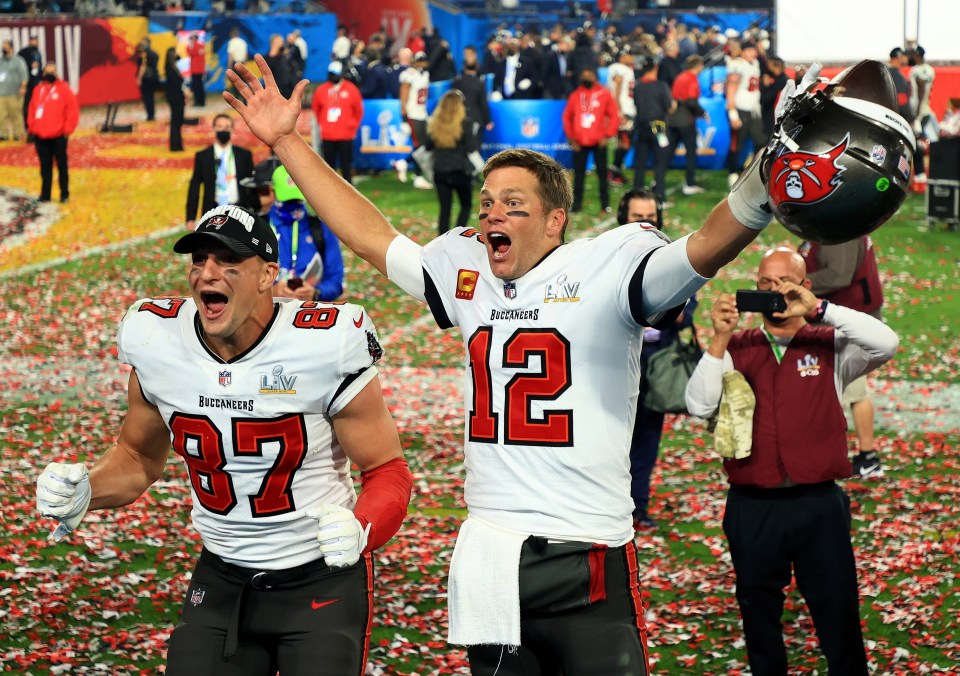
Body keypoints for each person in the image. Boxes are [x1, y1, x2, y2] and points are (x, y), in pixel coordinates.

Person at [224, 53, 798, 676]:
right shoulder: (469, 268)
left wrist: (766, 181)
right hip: (492, 550)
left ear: (555, 221)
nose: (492, 213)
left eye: (513, 204)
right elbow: (371, 236)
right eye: (488, 202)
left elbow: (706, 247)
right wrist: (287, 142)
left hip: (588, 544)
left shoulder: (609, 265)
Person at [35, 204, 413, 674]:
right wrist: (88, 489)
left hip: (320, 577)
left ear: (267, 275)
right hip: (220, 576)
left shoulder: (324, 344)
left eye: (229, 261)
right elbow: (137, 456)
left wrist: (362, 526)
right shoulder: (158, 340)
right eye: (199, 260)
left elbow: (386, 469)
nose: (207, 273)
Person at [685, 247, 898, 676]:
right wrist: (719, 338)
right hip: (752, 503)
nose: (774, 290)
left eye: (785, 282)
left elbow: (886, 343)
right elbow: (698, 406)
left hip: (817, 502)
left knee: (837, 606)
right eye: (765, 282)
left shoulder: (830, 343)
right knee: (758, 611)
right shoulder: (738, 346)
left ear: (805, 285)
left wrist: (820, 309)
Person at [618, 189, 697, 531]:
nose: (646, 224)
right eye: (638, 217)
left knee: (647, 439)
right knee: (613, 439)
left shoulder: (672, 257)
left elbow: (685, 313)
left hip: (657, 360)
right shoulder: (606, 257)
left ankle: (638, 507)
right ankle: (612, 505)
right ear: (623, 219)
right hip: (617, 361)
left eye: (651, 217)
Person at [799, 236, 885, 478]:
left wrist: (798, 285)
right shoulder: (836, 227)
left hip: (849, 322)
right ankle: (865, 456)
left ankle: (867, 457)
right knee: (846, 390)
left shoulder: (840, 234)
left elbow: (838, 275)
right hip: (847, 319)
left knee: (852, 391)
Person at [241, 159, 345, 301]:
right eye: (287, 201)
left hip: (308, 312)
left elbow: (335, 281)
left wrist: (316, 293)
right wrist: (271, 292)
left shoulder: (320, 229)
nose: (293, 206)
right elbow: (240, 281)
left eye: (297, 200)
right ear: (273, 192)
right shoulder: (255, 229)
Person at [563, 66, 619, 214]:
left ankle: (605, 204)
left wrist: (607, 135)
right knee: (579, 175)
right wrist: (571, 138)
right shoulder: (575, 95)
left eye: (589, 75)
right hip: (579, 142)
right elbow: (567, 117)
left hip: (599, 141)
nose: (587, 78)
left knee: (602, 174)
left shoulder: (604, 94)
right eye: (584, 75)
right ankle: (576, 205)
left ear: (595, 76)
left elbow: (614, 115)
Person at [185, 113, 255, 229]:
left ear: (232, 129)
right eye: (220, 127)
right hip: (212, 212)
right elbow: (195, 186)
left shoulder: (244, 155)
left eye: (227, 127)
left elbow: (251, 184)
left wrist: (256, 210)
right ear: (214, 128)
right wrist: (190, 217)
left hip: (239, 211)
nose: (223, 130)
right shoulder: (203, 156)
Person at [425, 90, 478, 234]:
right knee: (466, 206)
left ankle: (442, 239)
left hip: (440, 171)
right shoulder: (465, 123)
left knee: (445, 209)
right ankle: (458, 236)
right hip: (461, 171)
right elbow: (471, 148)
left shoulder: (434, 123)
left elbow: (428, 147)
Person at [27, 62, 78, 204]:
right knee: (45, 166)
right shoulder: (38, 90)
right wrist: (32, 127)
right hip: (41, 135)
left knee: (62, 165)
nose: (50, 74)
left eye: (53, 71)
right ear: (43, 73)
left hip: (59, 135)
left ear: (57, 73)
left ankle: (64, 194)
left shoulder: (64, 89)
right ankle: (45, 194)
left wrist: (67, 129)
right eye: (47, 71)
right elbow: (31, 109)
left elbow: (72, 110)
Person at [310, 61, 363, 185]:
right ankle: (330, 188)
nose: (333, 77)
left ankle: (348, 188)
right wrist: (324, 124)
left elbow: (358, 110)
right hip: (328, 135)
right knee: (329, 165)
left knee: (346, 165)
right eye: (331, 74)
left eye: (336, 74)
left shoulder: (351, 89)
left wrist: (352, 126)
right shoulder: (321, 90)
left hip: (346, 134)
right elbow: (316, 109)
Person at [632, 57, 675, 203]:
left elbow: (637, 105)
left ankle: (636, 195)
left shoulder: (637, 86)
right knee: (660, 163)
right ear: (655, 68)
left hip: (642, 128)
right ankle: (660, 196)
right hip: (659, 128)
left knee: (640, 163)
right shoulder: (661, 86)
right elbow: (669, 107)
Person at [725, 41, 765, 188]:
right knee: (738, 143)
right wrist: (733, 113)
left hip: (753, 110)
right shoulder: (738, 64)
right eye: (749, 50)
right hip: (740, 108)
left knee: (760, 140)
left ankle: (752, 170)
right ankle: (732, 172)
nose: (753, 53)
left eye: (754, 50)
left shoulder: (755, 64)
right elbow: (730, 89)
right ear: (742, 51)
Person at [667, 54, 707, 195]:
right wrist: (703, 113)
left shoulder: (680, 76)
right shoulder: (691, 78)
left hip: (673, 118)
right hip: (685, 119)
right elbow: (691, 101)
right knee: (691, 152)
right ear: (698, 66)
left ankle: (657, 180)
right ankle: (690, 184)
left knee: (668, 151)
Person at [395, 50, 432, 190]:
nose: (422, 64)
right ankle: (418, 177)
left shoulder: (426, 74)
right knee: (419, 147)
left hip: (422, 113)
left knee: (425, 146)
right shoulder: (408, 75)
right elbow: (403, 96)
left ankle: (403, 163)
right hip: (412, 114)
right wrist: (404, 118)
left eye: (423, 61)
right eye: (419, 61)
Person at [606, 48, 636, 186]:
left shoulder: (626, 68)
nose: (632, 57)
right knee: (626, 142)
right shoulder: (618, 68)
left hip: (627, 108)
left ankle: (616, 172)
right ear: (622, 56)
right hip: (623, 110)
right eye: (629, 54)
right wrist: (618, 111)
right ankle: (613, 171)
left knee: (622, 142)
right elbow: (616, 87)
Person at [450, 47, 492, 147]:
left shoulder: (456, 82)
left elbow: (452, 101)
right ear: (476, 67)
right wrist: (488, 120)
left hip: (459, 119)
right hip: (475, 120)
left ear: (464, 67)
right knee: (475, 149)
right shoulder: (479, 83)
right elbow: (483, 103)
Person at [0, 41, 28, 143]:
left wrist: (23, 87)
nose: (4, 49)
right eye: (3, 47)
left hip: (14, 93)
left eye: (6, 47)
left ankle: (18, 134)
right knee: (1, 116)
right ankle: (3, 134)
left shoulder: (18, 61)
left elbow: (24, 75)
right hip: (1, 93)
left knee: (16, 115)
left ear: (11, 48)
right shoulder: (1, 61)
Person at [17, 35, 42, 135]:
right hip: (26, 83)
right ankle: (27, 126)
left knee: (36, 105)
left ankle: (36, 125)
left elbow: (39, 68)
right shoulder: (23, 52)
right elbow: (19, 68)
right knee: (27, 106)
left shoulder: (37, 52)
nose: (35, 43)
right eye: (33, 41)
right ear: (29, 41)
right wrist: (29, 66)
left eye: (36, 41)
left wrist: (40, 79)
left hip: (36, 84)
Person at [163, 47, 185, 152]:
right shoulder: (170, 69)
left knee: (178, 121)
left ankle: (178, 144)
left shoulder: (173, 66)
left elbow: (180, 58)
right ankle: (175, 145)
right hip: (176, 97)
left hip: (176, 97)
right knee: (176, 122)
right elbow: (176, 84)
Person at [135, 37, 160, 122]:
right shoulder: (154, 53)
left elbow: (143, 66)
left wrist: (139, 78)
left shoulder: (144, 55)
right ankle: (151, 114)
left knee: (147, 97)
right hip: (154, 77)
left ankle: (150, 115)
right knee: (151, 97)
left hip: (147, 79)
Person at [187, 33, 206, 107]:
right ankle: (201, 102)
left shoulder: (195, 46)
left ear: (194, 39)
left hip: (196, 70)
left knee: (196, 86)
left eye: (191, 39)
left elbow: (191, 53)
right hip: (199, 69)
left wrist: (189, 47)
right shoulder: (201, 45)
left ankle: (198, 102)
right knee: (200, 86)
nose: (191, 40)